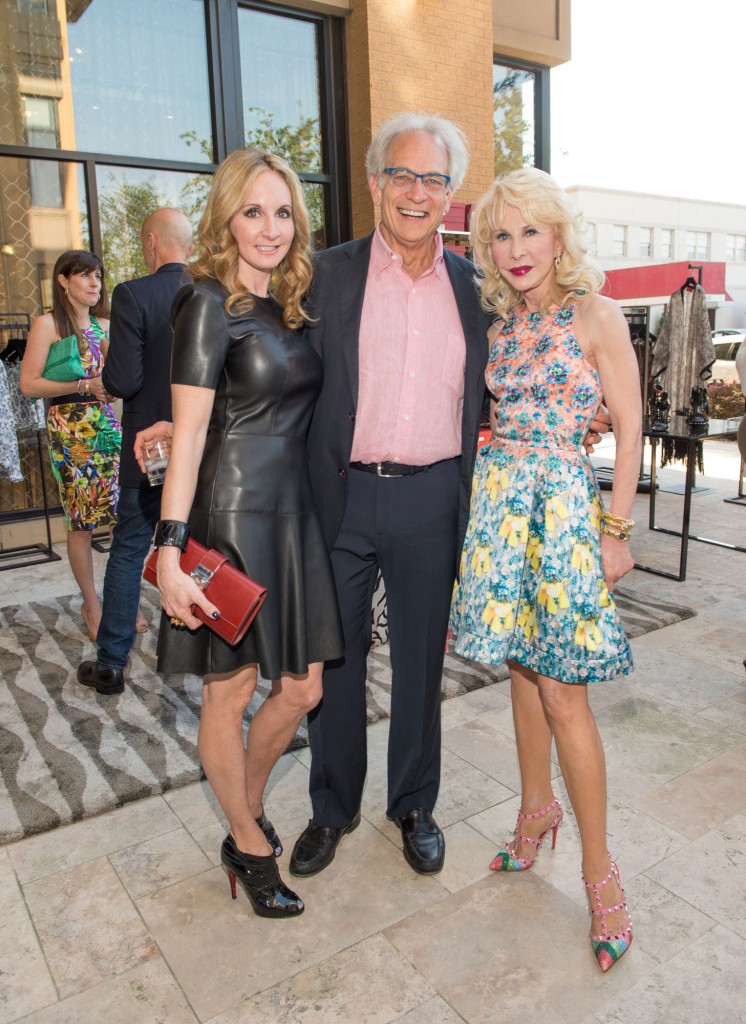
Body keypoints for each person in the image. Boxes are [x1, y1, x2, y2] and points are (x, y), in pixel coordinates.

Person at [289, 113, 491, 879]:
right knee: (332, 660)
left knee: (418, 663)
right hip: (340, 494)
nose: (416, 192)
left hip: (434, 497)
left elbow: (508, 389)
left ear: (451, 194)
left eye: (433, 179)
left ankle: (414, 804)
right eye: (401, 175)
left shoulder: (478, 289)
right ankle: (331, 806)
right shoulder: (324, 274)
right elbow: (281, 377)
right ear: (374, 183)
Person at [449, 167, 642, 972]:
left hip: (565, 512)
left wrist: (616, 529)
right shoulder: (499, 328)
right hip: (501, 509)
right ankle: (535, 812)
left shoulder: (596, 315)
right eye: (501, 234)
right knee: (522, 671)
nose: (517, 247)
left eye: (531, 229)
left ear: (559, 235)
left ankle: (602, 875)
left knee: (564, 692)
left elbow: (631, 425)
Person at [154, 147, 343, 918]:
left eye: (282, 211)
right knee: (228, 692)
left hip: (293, 517)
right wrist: (169, 548)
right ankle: (249, 838)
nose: (270, 228)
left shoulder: (290, 306)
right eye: (252, 212)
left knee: (303, 685)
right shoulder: (205, 301)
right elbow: (193, 435)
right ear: (226, 220)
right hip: (230, 518)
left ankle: (244, 809)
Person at [77, 209, 194, 696]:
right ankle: (207, 658)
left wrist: (102, 384)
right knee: (199, 547)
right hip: (204, 446)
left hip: (150, 449)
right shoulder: (212, 292)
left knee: (129, 550)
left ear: (150, 242)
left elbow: (123, 379)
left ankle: (111, 663)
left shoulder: (133, 294)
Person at [20, 251, 121, 640]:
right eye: (85, 276)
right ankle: (91, 604)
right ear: (63, 281)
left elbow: (119, 377)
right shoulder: (48, 324)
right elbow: (28, 385)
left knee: (119, 519)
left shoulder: (106, 325)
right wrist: (83, 385)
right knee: (82, 522)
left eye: (98, 276)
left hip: (107, 427)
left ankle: (118, 600)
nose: (95, 283)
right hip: (69, 430)